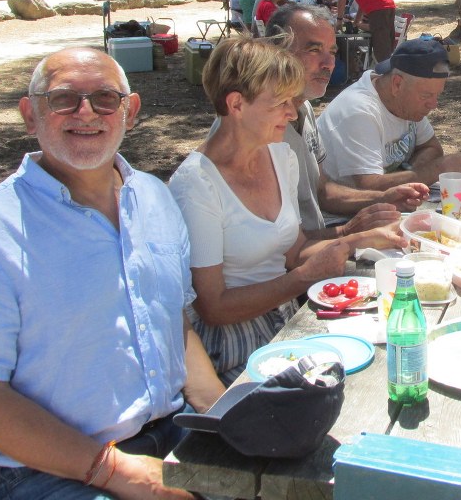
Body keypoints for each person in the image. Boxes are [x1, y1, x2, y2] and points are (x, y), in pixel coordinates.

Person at [0, 48, 226, 499]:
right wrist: (120, 473)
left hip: (173, 433)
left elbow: (173, 325)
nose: (86, 112)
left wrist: (225, 419)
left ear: (131, 111)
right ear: (31, 115)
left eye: (106, 98)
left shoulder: (154, 198)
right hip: (51, 470)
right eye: (63, 98)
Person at [168, 38, 392, 384]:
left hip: (288, 319)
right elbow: (213, 308)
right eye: (281, 103)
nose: (292, 113)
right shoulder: (197, 185)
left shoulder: (279, 156)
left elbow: (293, 251)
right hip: (233, 346)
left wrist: (358, 237)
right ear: (236, 104)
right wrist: (302, 278)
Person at [263, 4, 429, 235]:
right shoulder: (256, 126)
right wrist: (349, 232)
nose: (328, 64)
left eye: (332, 52)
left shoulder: (304, 109)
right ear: (276, 52)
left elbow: (324, 191)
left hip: (318, 237)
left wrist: (383, 197)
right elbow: (277, 244)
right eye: (313, 49)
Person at [317, 38, 461, 190]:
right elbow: (369, 188)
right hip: (339, 216)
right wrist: (441, 168)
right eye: (426, 96)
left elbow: (432, 148)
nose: (434, 104)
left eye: (437, 95)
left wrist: (408, 173)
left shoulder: (406, 103)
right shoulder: (359, 111)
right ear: (397, 84)